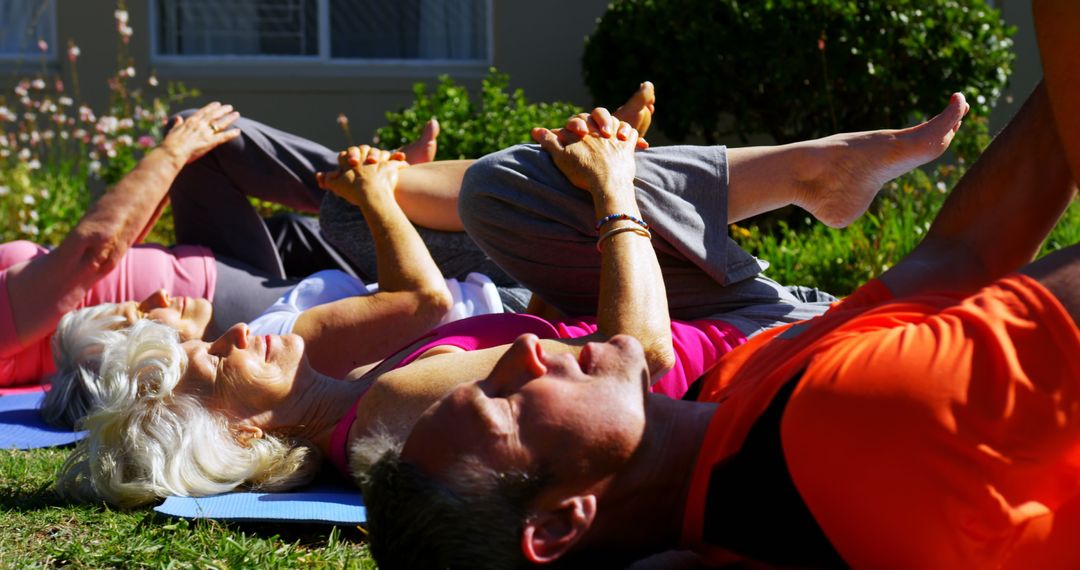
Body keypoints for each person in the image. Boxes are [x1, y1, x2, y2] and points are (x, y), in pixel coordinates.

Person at [359, 15, 1080, 570]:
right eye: (506, 406)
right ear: (558, 523)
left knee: (501, 186)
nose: (520, 350)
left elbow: (964, 253)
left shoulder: (731, 411)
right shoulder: (838, 427)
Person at [53, 90, 968, 508]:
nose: (232, 335)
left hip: (687, 315)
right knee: (519, 187)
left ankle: (815, 173)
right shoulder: (389, 408)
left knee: (506, 191)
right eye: (216, 364)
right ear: (243, 432)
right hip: (731, 337)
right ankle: (812, 171)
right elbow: (634, 365)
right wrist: (612, 194)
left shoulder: (360, 401)